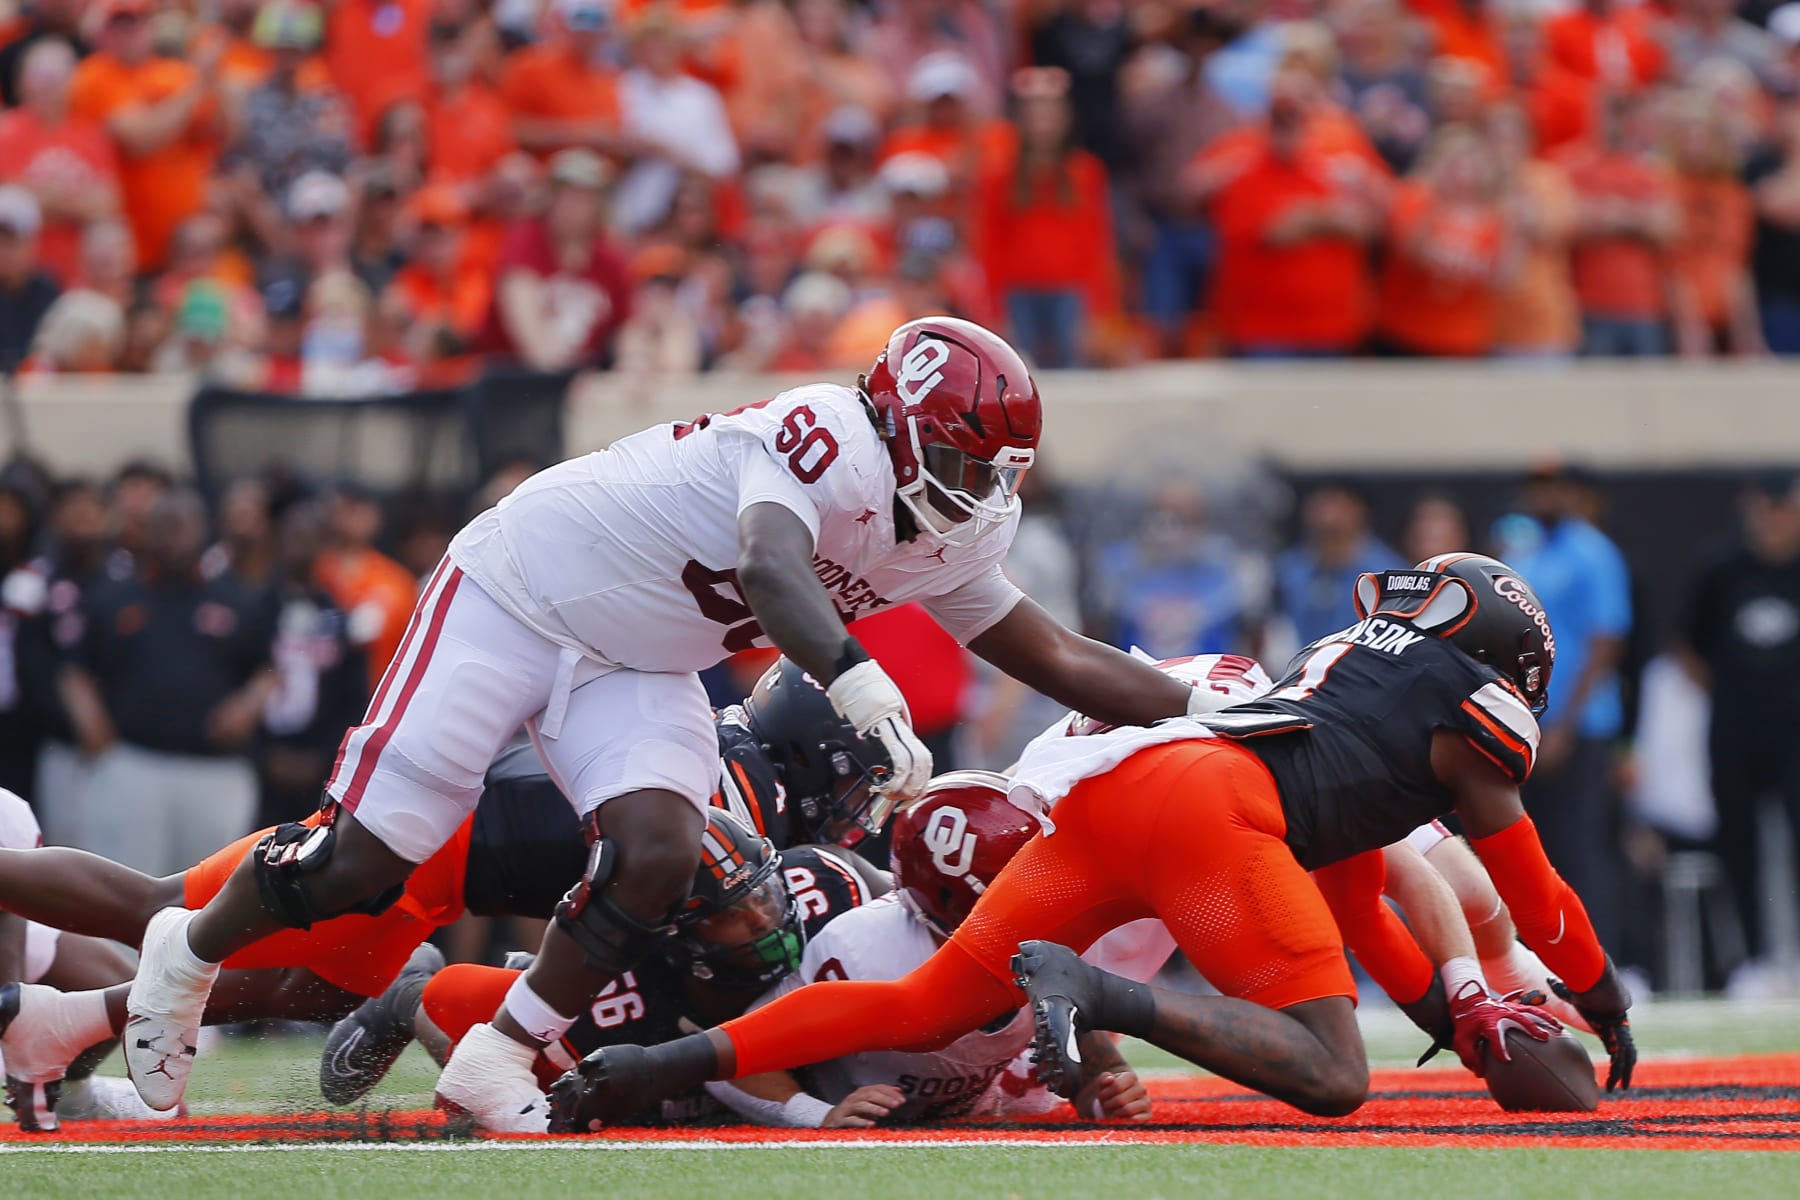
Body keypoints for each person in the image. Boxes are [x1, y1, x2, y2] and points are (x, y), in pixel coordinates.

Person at [118, 317, 1203, 1132]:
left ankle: (503, 1054)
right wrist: (863, 684)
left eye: (999, 471)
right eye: (968, 462)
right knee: (364, 856)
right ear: (907, 428)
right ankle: (187, 949)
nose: (984, 491)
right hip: (521, 592)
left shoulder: (959, 525)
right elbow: (773, 565)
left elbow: (1055, 656)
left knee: (663, 850)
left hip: (640, 657)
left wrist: (1208, 705)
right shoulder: (831, 429)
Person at [549, 553, 1638, 1126]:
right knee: (1334, 1080)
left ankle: (654, 1064)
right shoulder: (1466, 716)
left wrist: (1449, 1009)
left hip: (1123, 789)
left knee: (928, 1007)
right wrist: (1599, 996)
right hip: (1215, 809)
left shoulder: (1346, 674)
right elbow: (1530, 888)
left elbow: (1354, 894)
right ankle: (1098, 996)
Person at [705, 772, 1149, 1128]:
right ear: (955, 898)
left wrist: (1100, 1096)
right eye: (1025, 879)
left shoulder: (1058, 936)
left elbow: (1088, 1060)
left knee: (1032, 1092)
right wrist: (816, 1113)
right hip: (872, 1133)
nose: (1045, 893)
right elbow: (733, 1058)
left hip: (986, 1108)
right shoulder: (863, 949)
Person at [57, 489, 275, 877]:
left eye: (183, 527)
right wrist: (90, 720)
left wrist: (247, 706)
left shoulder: (237, 601)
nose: (174, 538)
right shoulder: (113, 598)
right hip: (133, 763)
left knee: (205, 895)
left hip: (214, 771)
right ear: (148, 533)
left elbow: (267, 670)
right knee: (123, 884)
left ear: (203, 531)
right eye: (165, 527)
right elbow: (75, 670)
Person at [1496, 465, 1632, 958]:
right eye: (1534, 486)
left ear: (1571, 493)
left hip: (1581, 725)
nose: (1542, 496)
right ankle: (1541, 958)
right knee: (1532, 849)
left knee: (1582, 846)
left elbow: (1606, 640)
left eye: (1552, 487)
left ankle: (1602, 956)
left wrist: (1566, 725)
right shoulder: (1523, 549)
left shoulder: (1592, 551)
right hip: (1525, 723)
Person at [1680, 475, 1800, 992]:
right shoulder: (1721, 568)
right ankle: (1755, 960)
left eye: (1785, 508)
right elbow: (1689, 649)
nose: (1775, 519)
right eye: (1767, 508)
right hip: (1736, 733)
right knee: (1739, 845)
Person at [0, 38, 121, 286]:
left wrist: (40, 198)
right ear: (23, 82)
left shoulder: (91, 135)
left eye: (56, 78)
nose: (49, 88)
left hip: (79, 276)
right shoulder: (6, 132)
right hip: (18, 281)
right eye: (42, 78)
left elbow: (107, 204)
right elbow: (8, 204)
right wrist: (75, 200)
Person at [1273, 483, 1402, 650]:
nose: (1327, 517)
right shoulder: (1289, 569)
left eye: (1339, 507)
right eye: (1320, 506)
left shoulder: (1387, 572)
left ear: (1360, 512)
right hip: (1296, 666)